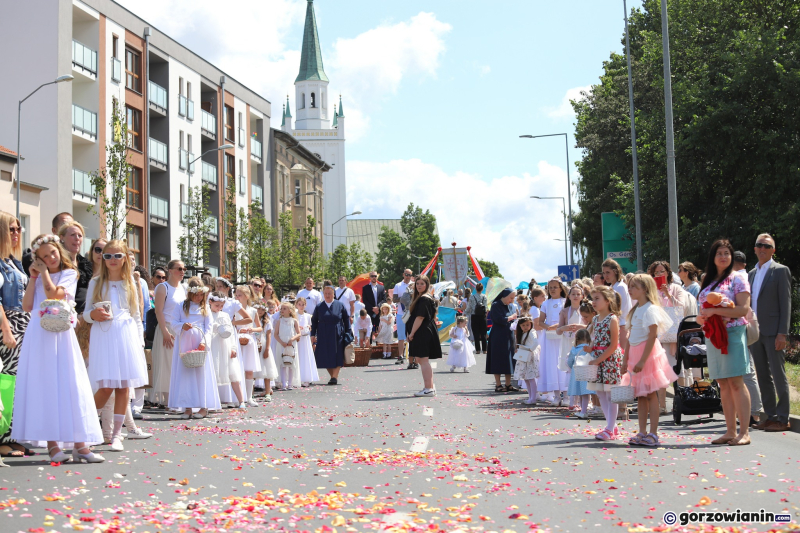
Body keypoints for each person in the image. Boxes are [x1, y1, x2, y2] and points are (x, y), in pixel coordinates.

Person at [12, 234, 104, 464]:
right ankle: (53, 445)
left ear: (58, 250)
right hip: (39, 334)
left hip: (60, 334)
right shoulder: (37, 274)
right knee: (46, 384)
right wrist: (33, 278)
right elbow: (27, 305)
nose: (50, 258)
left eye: (52, 253)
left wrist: (43, 272)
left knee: (70, 383)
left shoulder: (70, 273)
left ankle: (80, 445)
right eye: (43, 257)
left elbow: (55, 295)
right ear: (37, 259)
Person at [84, 240, 149, 451]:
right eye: (107, 256)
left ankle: (116, 435)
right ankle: (84, 427)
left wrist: (139, 342)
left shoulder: (130, 282)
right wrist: (93, 315)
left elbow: (137, 315)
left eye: (117, 256)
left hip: (126, 335)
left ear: (125, 258)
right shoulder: (96, 282)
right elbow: (86, 313)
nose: (112, 260)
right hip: (104, 336)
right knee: (105, 386)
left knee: (123, 387)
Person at [697, 239, 752, 446]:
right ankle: (730, 431)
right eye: (719, 253)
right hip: (712, 335)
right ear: (713, 257)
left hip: (733, 333)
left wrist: (715, 311)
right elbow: (701, 310)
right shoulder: (708, 281)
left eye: (727, 253)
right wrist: (701, 318)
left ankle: (744, 432)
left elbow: (742, 310)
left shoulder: (738, 279)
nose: (723, 257)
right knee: (723, 384)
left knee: (736, 382)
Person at [624, 274, 679, 447]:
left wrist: (642, 360)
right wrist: (626, 358)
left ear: (645, 289)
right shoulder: (635, 309)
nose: (630, 289)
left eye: (634, 287)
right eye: (630, 286)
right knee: (640, 396)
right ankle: (642, 431)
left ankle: (653, 433)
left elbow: (652, 335)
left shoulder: (650, 309)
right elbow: (631, 335)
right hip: (634, 352)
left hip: (646, 354)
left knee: (650, 394)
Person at [748, 233, 793, 433]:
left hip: (774, 333)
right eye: (760, 245)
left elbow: (786, 304)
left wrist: (782, 333)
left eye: (767, 246)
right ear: (755, 249)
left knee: (778, 374)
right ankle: (771, 416)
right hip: (755, 332)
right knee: (763, 375)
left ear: (773, 250)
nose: (763, 249)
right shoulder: (751, 273)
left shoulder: (781, 271)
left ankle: (783, 418)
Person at [0, 212, 31, 459]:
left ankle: (14, 436)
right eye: (11, 228)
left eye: (19, 228)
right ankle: (3, 439)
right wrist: (7, 330)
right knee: (6, 384)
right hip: (8, 326)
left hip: (22, 324)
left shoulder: (14, 261)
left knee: (19, 384)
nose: (17, 233)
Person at [647, 260, 698, 407]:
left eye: (662, 271)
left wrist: (667, 294)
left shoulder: (676, 288)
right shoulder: (650, 290)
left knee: (677, 367)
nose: (659, 274)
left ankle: (683, 401)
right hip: (657, 335)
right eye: (656, 272)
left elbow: (681, 307)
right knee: (659, 370)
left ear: (668, 273)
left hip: (673, 336)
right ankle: (661, 404)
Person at [168, 277, 220, 419]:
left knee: (201, 374)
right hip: (185, 344)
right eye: (195, 294)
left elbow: (209, 328)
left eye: (200, 294)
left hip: (199, 345)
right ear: (190, 293)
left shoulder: (205, 308)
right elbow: (173, 322)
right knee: (185, 374)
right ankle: (187, 407)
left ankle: (204, 407)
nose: (198, 297)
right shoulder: (180, 306)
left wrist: (204, 341)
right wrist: (181, 326)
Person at [585, 286, 624, 441]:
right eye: (592, 298)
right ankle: (611, 425)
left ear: (607, 301)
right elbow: (597, 339)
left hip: (609, 360)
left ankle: (610, 428)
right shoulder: (595, 319)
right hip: (598, 359)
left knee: (610, 394)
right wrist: (591, 347)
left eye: (597, 298)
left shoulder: (612, 319)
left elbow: (613, 345)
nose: (593, 302)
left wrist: (598, 359)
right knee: (600, 392)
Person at [151, 261, 186, 409]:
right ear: (170, 271)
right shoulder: (162, 287)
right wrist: (165, 331)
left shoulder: (183, 288)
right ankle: (168, 400)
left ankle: (178, 397)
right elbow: (158, 311)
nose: (182, 271)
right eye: (179, 269)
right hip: (166, 328)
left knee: (178, 365)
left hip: (179, 330)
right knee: (166, 364)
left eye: (184, 269)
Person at [208, 292, 245, 408]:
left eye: (221, 305)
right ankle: (211, 402)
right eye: (217, 305)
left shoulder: (224, 315)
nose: (219, 308)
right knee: (213, 372)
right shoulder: (207, 314)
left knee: (233, 373)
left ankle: (241, 401)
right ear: (210, 302)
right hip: (213, 345)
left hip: (226, 345)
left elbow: (232, 333)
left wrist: (233, 347)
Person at [406, 275, 442, 397]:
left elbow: (420, 317)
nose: (419, 285)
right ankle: (430, 386)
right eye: (417, 283)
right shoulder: (423, 298)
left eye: (422, 283)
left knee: (422, 359)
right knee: (422, 359)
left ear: (427, 285)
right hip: (424, 331)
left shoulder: (424, 299)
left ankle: (429, 388)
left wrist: (411, 333)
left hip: (422, 332)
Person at [311, 282, 351, 386]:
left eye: (330, 293)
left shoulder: (340, 305)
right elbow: (314, 321)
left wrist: (348, 332)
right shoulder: (319, 306)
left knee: (338, 354)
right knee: (324, 356)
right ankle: (333, 376)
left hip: (337, 332)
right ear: (323, 294)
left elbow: (346, 319)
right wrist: (312, 334)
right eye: (326, 293)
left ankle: (334, 377)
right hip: (323, 333)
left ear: (333, 294)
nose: (328, 295)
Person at [537, 279, 568, 405]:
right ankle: (556, 396)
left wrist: (559, 326)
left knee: (563, 361)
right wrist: (548, 327)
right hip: (549, 337)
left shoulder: (566, 302)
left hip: (563, 335)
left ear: (561, 288)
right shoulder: (546, 303)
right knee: (552, 363)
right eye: (550, 288)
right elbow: (540, 321)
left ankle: (566, 395)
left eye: (555, 287)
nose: (553, 290)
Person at [557, 285, 587, 408]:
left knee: (582, 369)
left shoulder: (586, 310)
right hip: (568, 342)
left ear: (582, 296)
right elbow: (558, 330)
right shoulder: (564, 311)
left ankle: (583, 399)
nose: (575, 296)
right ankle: (570, 398)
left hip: (582, 343)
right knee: (570, 369)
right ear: (569, 296)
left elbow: (590, 326)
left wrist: (579, 327)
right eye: (573, 294)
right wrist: (565, 328)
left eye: (578, 294)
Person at [485, 288, 518, 393]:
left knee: (509, 360)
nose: (512, 300)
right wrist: (511, 317)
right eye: (511, 298)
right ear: (504, 296)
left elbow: (515, 318)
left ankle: (508, 384)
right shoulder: (495, 305)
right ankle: (498, 384)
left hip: (509, 334)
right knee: (497, 359)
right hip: (498, 335)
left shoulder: (512, 306)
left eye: (513, 298)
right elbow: (498, 319)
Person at [234, 285, 263, 407]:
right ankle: (239, 398)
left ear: (246, 297)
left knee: (249, 370)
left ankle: (249, 397)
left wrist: (251, 329)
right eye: (236, 295)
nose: (237, 297)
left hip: (249, 340)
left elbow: (260, 328)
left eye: (239, 295)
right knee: (237, 369)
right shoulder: (234, 309)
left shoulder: (252, 311)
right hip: (237, 340)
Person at [21, 211, 73, 276]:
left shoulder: (77, 266)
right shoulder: (30, 262)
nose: (69, 228)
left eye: (72, 225)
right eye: (64, 225)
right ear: (54, 230)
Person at [513, 317, 540, 404]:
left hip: (529, 357)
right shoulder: (522, 334)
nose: (525, 327)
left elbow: (536, 342)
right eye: (523, 325)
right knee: (526, 378)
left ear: (531, 324)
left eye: (527, 325)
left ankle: (533, 398)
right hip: (524, 357)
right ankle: (531, 397)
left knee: (530, 377)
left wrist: (530, 350)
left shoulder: (531, 332)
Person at [275, 301, 301, 390]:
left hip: (291, 344)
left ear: (290, 310)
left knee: (291, 363)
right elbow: (275, 334)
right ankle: (283, 384)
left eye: (284, 309)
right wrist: (281, 342)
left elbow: (298, 333)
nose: (282, 310)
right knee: (282, 363)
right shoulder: (279, 321)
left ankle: (290, 384)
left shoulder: (294, 321)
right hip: (282, 344)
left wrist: (292, 339)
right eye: (281, 309)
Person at [567, 329, 592, 418]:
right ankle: (583, 410)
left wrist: (572, 367)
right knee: (585, 393)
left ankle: (583, 411)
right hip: (588, 372)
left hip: (577, 373)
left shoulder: (574, 349)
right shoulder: (589, 349)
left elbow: (570, 361)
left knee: (582, 394)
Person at [294, 297, 319, 387]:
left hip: (305, 339)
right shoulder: (294, 315)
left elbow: (310, 326)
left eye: (303, 304)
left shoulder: (308, 316)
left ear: (305, 305)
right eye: (299, 304)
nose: (301, 306)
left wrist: (308, 327)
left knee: (305, 357)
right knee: (297, 357)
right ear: (296, 304)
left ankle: (306, 378)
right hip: (297, 339)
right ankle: (295, 378)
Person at [393, 269, 413, 365]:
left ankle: (412, 355)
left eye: (409, 275)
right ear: (403, 274)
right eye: (406, 274)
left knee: (412, 335)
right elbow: (394, 299)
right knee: (401, 336)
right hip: (401, 313)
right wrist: (403, 299)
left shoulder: (414, 284)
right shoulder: (398, 285)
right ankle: (400, 355)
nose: (408, 276)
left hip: (412, 313)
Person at [362, 271, 386, 342]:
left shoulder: (381, 287)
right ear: (370, 277)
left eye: (375, 276)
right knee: (369, 329)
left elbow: (384, 299)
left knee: (379, 329)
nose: (374, 277)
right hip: (370, 311)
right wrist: (372, 308)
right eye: (372, 276)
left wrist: (378, 307)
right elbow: (365, 300)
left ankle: (379, 346)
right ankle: (368, 345)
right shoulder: (365, 288)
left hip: (379, 312)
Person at [467, 283, 488, 354]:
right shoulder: (484, 297)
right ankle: (485, 349)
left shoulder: (472, 297)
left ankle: (478, 349)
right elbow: (486, 307)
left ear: (475, 289)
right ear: (482, 289)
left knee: (475, 333)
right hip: (482, 316)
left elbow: (469, 308)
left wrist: (465, 313)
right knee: (483, 333)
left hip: (474, 316)